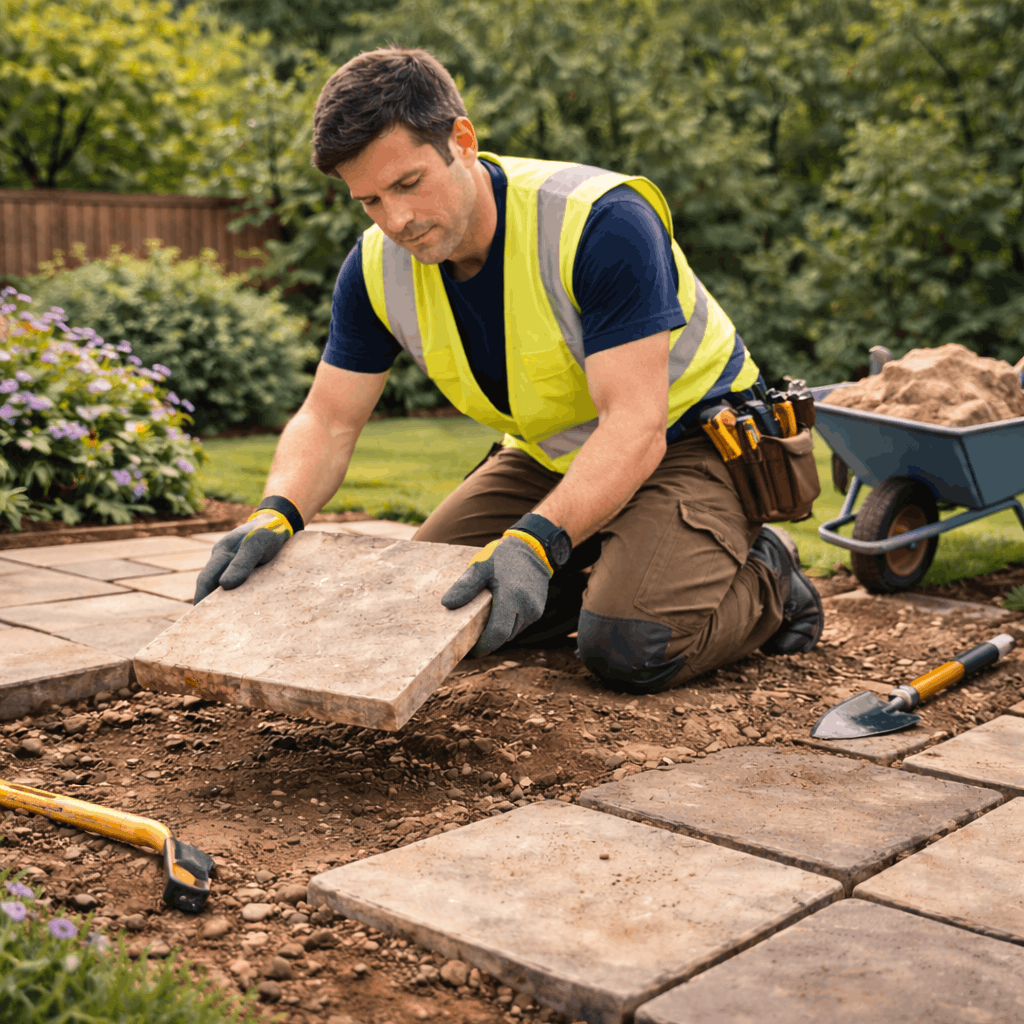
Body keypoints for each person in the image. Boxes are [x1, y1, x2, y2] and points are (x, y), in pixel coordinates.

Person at [194, 45, 823, 694]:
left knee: (629, 643)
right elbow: (328, 418)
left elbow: (636, 425)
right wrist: (277, 512)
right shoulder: (375, 267)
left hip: (692, 442)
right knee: (431, 608)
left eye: (408, 184)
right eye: (370, 201)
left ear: (461, 141)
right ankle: (613, 561)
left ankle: (772, 578)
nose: (396, 220)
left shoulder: (600, 222)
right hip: (554, 452)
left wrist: (536, 541)